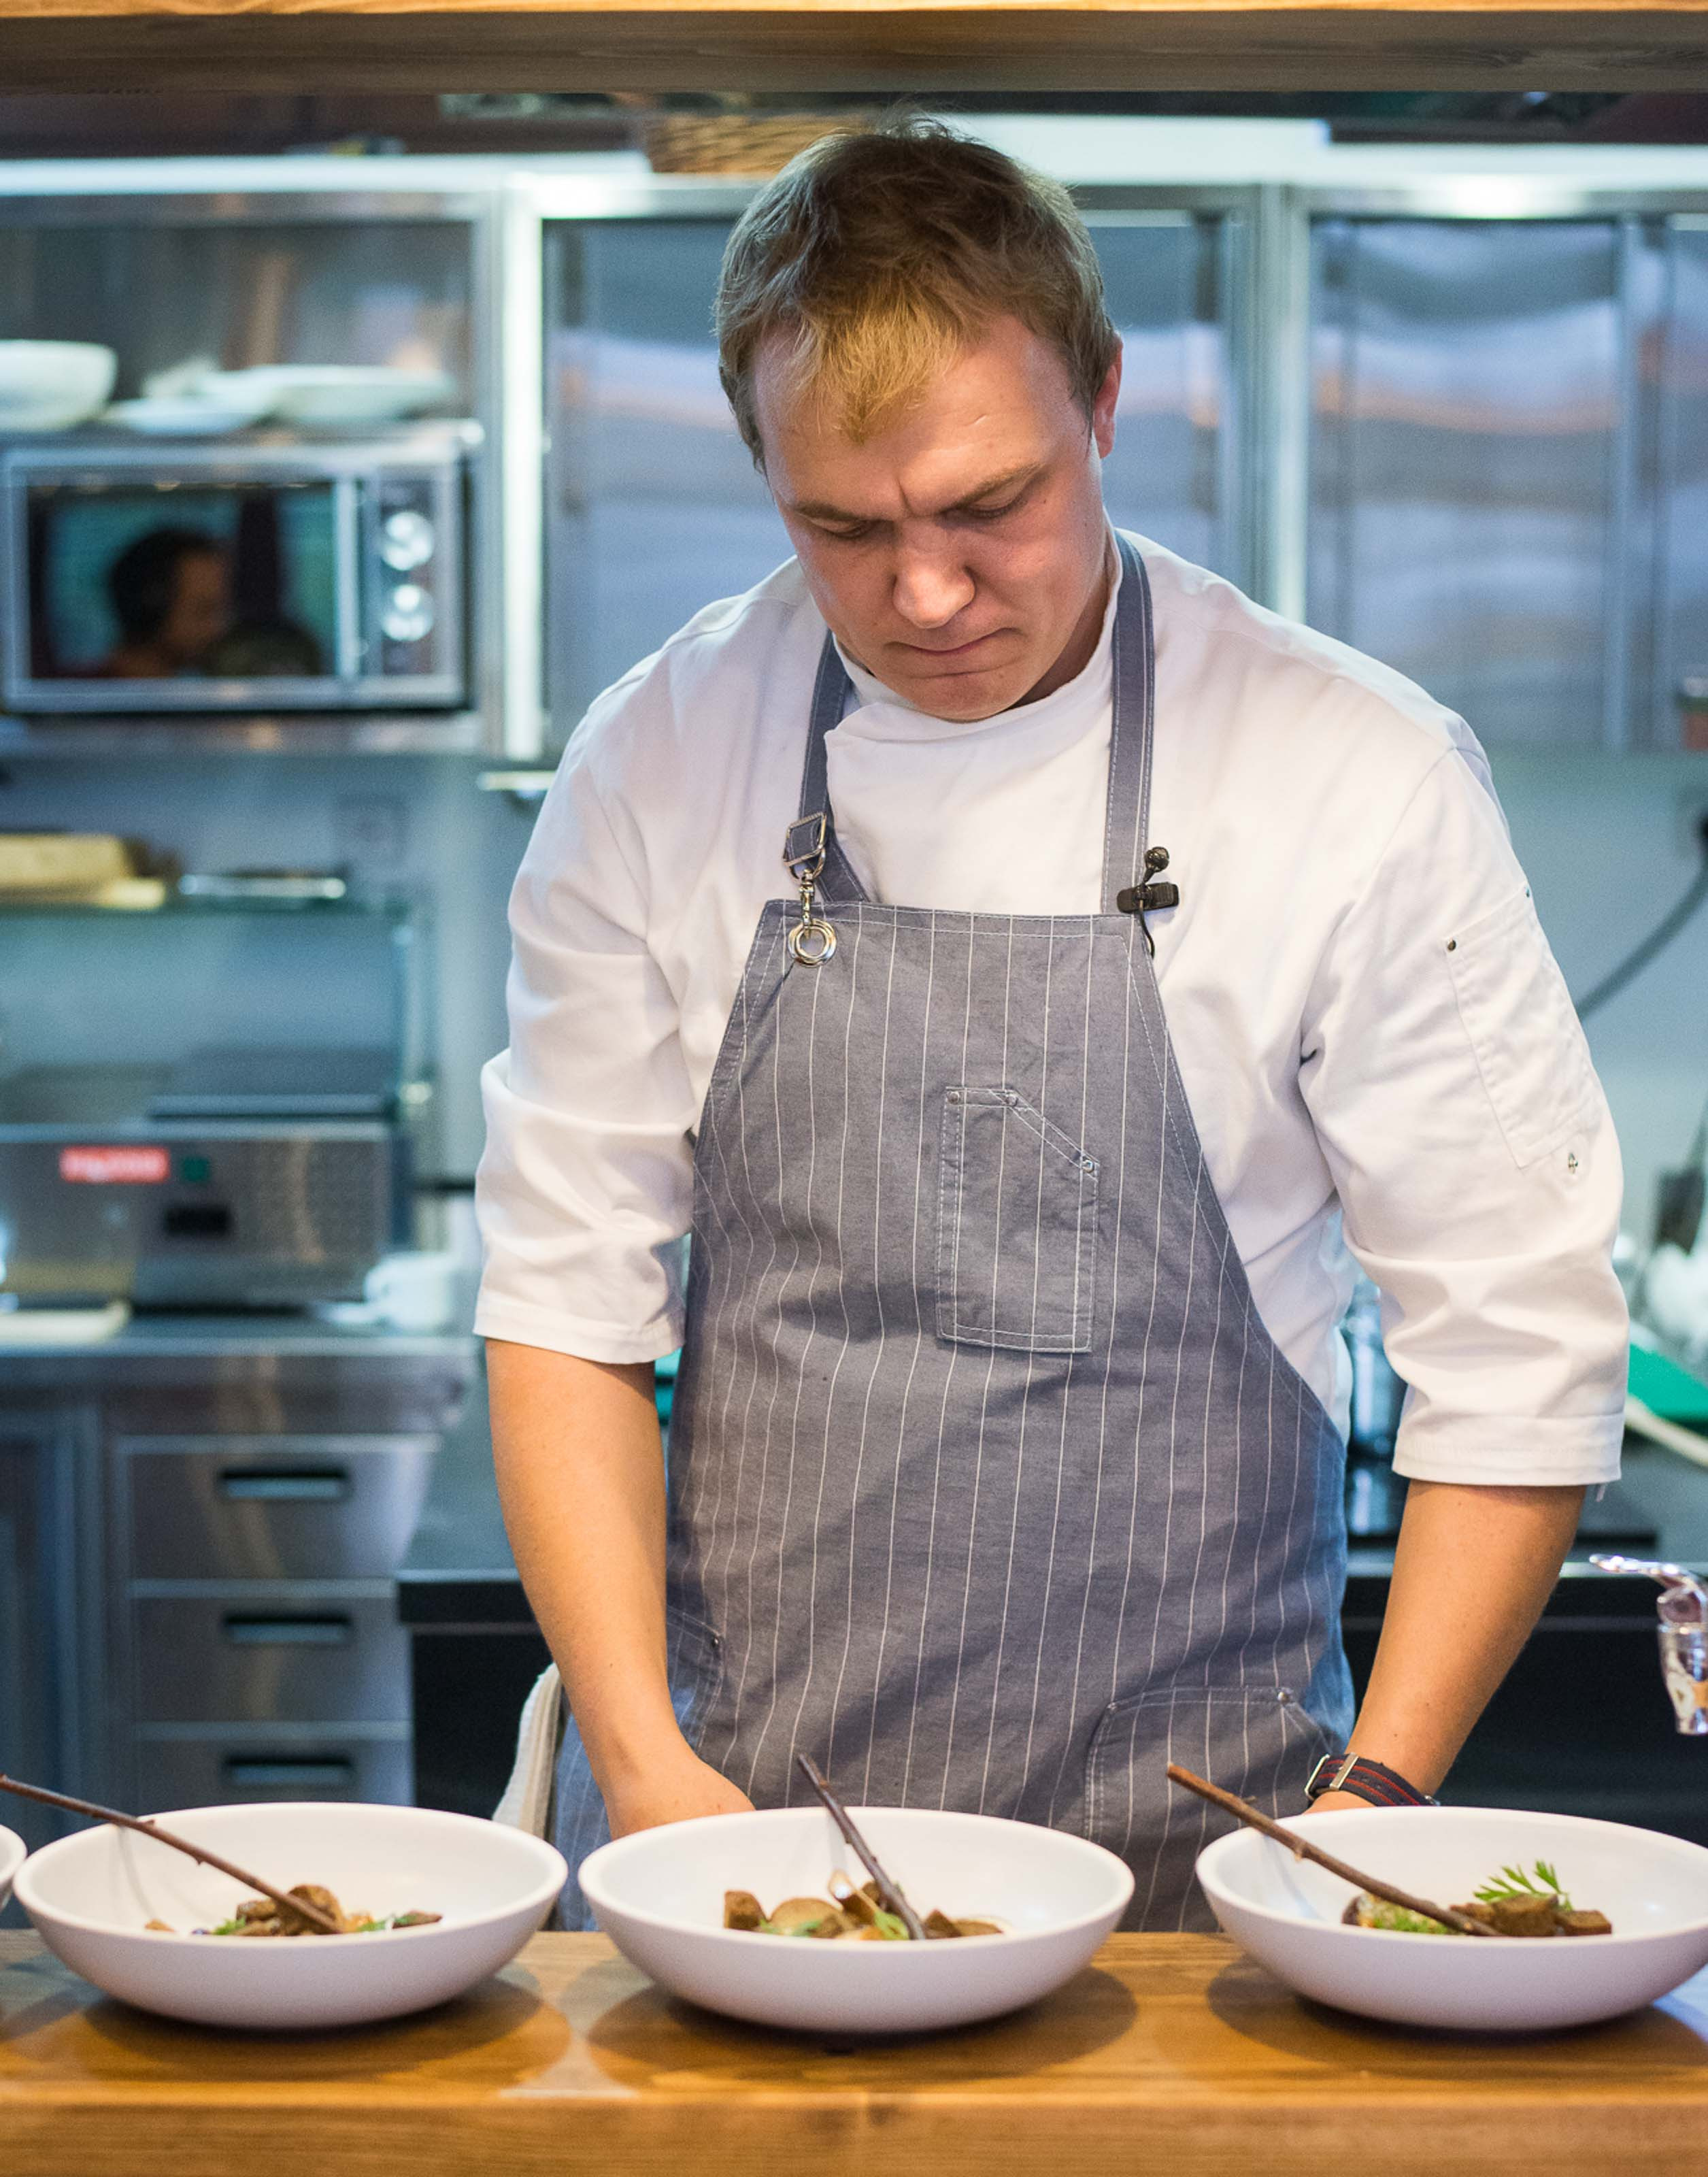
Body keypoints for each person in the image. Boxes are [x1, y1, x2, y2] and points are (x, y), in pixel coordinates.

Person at [475, 118, 1626, 1929]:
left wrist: (1369, 1811)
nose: (921, 596)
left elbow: (1512, 1353)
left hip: (1205, 1876)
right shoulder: (659, 755)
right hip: (738, 1852)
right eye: (839, 530)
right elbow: (558, 1306)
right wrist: (645, 1771)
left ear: (1098, 403)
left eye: (986, 506)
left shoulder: (1349, 773)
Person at [99, 525, 230, 678]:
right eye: (203, 612)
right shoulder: (77, 695)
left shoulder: (189, 696)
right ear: (151, 607)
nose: (218, 628)